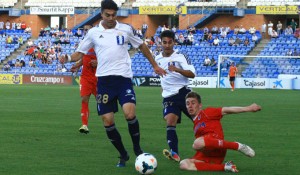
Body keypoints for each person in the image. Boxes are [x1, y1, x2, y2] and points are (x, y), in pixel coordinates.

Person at [60, 0, 166, 167]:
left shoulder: (126, 29)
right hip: (104, 81)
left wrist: (155, 65)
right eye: (107, 15)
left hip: (123, 79)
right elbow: (79, 53)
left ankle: (137, 149)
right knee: (108, 121)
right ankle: (123, 154)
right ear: (101, 14)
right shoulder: (94, 33)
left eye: (113, 15)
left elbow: (142, 46)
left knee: (130, 114)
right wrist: (66, 58)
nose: (110, 18)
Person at [180, 92, 261, 172]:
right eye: (187, 104)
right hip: (208, 153)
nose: (190, 106)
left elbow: (226, 110)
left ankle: (237, 146)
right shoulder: (195, 124)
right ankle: (227, 167)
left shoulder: (207, 112)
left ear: (200, 105)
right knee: (183, 164)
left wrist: (248, 108)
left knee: (196, 144)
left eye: (193, 103)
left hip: (218, 147)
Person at [154, 30, 196, 162]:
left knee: (199, 121)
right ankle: (175, 153)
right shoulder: (157, 58)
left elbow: (192, 74)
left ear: (174, 42)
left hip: (184, 93)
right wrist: (164, 89)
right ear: (160, 43)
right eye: (164, 42)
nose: (167, 45)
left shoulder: (181, 56)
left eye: (169, 42)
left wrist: (177, 69)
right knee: (170, 121)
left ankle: (212, 145)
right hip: (168, 96)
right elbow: (162, 77)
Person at [68, 25, 98, 134]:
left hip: (98, 77)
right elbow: (83, 58)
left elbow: (108, 59)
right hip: (85, 77)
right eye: (85, 30)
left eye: (88, 30)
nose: (86, 31)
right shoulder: (84, 44)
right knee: (84, 99)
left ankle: (108, 121)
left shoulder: (99, 43)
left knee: (102, 102)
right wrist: (77, 65)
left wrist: (98, 63)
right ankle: (84, 125)